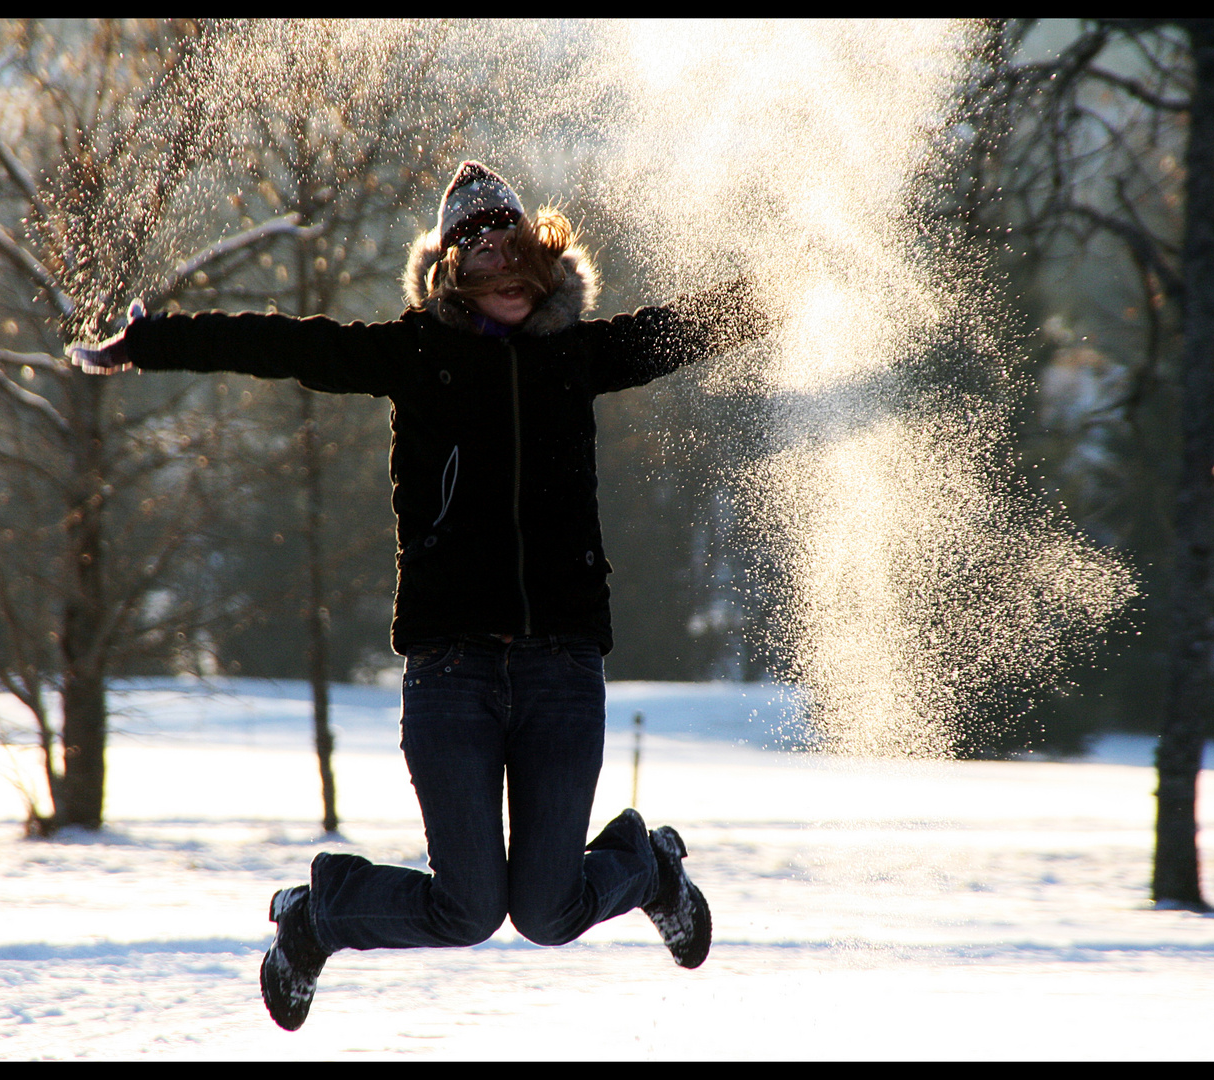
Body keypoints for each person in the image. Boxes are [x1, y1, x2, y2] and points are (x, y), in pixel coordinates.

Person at [68, 161, 768, 1031]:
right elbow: (283, 345)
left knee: (549, 913)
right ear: (449, 270)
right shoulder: (417, 355)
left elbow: (694, 326)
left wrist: (807, 278)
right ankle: (316, 917)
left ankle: (649, 868)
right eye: (474, 249)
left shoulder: (578, 355)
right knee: (469, 909)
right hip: (452, 676)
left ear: (539, 259)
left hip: (560, 669)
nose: (495, 260)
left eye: (509, 245)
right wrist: (154, 343)